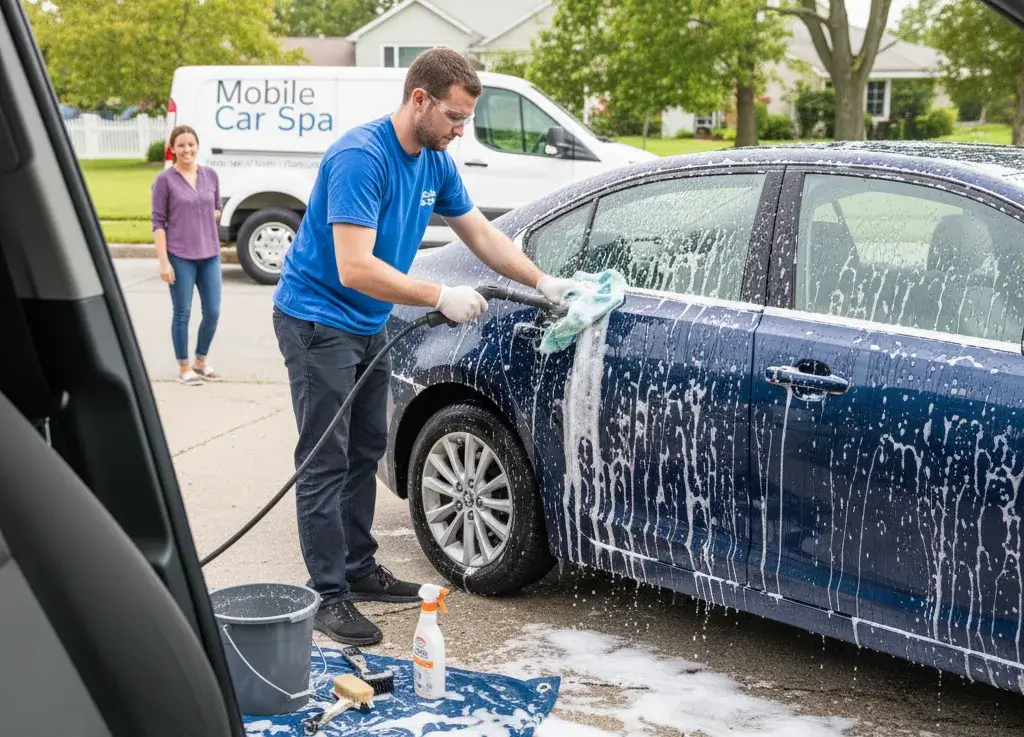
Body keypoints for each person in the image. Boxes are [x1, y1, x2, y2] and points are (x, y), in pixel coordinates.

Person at [271, 48, 579, 646]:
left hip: (369, 322)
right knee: (324, 459)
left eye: (465, 120)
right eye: (455, 117)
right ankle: (327, 595)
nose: (461, 131)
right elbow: (354, 267)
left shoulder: (435, 161)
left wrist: (541, 281)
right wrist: (440, 293)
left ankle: (358, 569)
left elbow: (483, 234)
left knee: (365, 449)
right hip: (317, 322)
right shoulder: (362, 157)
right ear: (420, 101)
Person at [151, 124, 223, 386]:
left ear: (197, 146)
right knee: (182, 312)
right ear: (173, 149)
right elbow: (158, 222)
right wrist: (163, 261)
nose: (186, 149)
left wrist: (209, 215)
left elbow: (217, 208)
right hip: (180, 256)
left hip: (210, 255)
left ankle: (200, 361)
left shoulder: (210, 176)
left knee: (213, 311)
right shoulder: (164, 181)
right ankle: (184, 367)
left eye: (190, 144)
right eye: (181, 145)